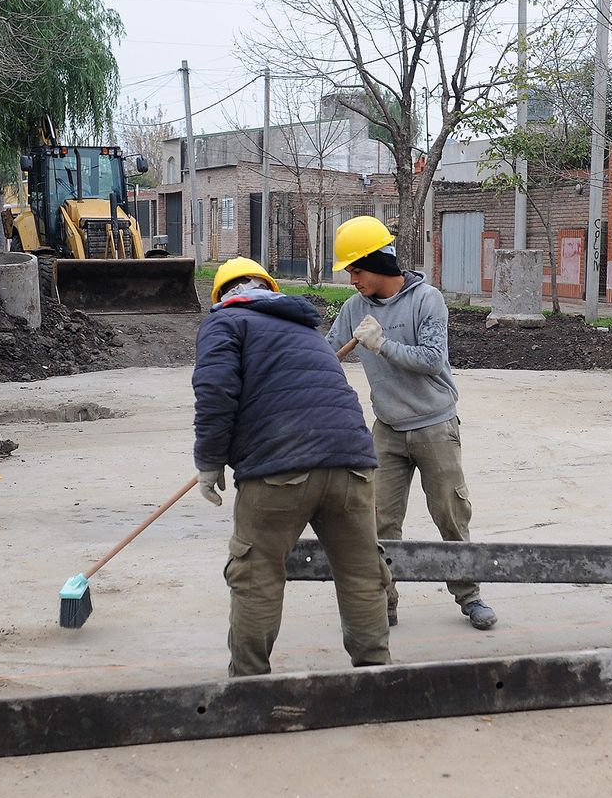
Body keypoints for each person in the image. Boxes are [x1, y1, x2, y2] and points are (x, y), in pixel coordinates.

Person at [192, 256, 392, 676]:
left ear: (224, 296)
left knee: (258, 574)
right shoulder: (305, 329)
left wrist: (210, 462)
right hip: (352, 463)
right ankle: (377, 675)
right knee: (361, 574)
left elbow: (215, 392)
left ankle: (250, 684)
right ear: (269, 289)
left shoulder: (225, 323)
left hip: (278, 468)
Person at [325, 215, 497, 631]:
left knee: (450, 514)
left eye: (356, 270)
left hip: (435, 425)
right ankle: (385, 600)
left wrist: (382, 344)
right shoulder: (353, 309)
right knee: (379, 520)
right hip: (387, 429)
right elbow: (326, 353)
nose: (352, 281)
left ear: (379, 263)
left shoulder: (427, 300)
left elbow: (431, 360)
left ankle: (470, 596)